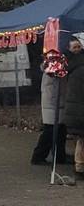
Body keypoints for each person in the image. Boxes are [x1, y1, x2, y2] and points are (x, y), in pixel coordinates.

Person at [32, 41, 70, 165]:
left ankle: (59, 155)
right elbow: (55, 78)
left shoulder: (55, 64)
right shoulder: (52, 66)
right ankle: (39, 156)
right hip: (53, 102)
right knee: (50, 131)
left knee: (60, 130)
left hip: (57, 101)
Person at [64, 38, 84, 180]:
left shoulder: (69, 67)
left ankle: (79, 167)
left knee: (81, 140)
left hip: (74, 110)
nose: (77, 49)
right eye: (74, 47)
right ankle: (79, 167)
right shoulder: (80, 67)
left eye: (79, 46)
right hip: (79, 110)